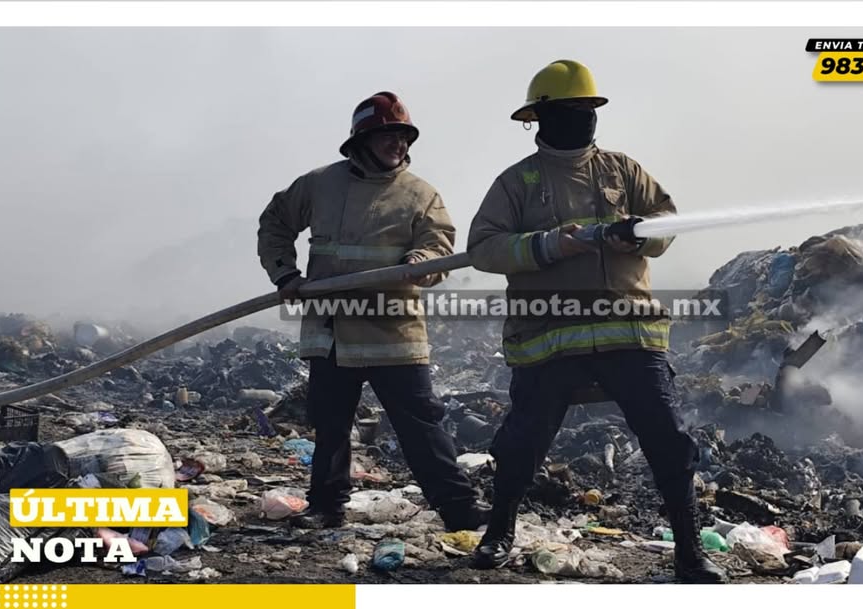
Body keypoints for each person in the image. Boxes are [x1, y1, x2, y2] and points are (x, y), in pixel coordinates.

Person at [466, 61, 728, 583]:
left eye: (587, 110)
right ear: (540, 118)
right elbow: (483, 248)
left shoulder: (622, 171)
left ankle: (691, 554)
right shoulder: (517, 183)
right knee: (522, 443)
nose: (581, 119)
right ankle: (498, 531)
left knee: (669, 442)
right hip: (548, 336)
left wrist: (641, 235)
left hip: (628, 332)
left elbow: (668, 223)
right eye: (569, 111)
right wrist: (547, 244)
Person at [257, 91, 488, 532]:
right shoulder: (320, 184)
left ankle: (459, 510)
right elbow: (275, 223)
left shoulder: (421, 194)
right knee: (331, 426)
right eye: (388, 136)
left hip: (394, 333)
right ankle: (326, 507)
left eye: (403, 137)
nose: (397, 145)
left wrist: (420, 264)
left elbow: (438, 243)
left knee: (422, 426)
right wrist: (285, 274)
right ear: (362, 139)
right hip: (332, 332)